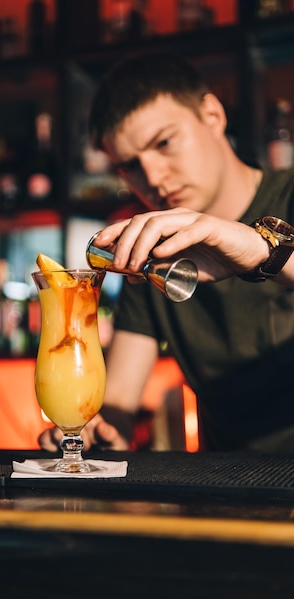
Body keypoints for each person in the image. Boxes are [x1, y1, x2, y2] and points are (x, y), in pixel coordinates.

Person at [39, 51, 294, 453]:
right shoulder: (149, 251)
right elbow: (119, 405)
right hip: (228, 493)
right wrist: (97, 431)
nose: (154, 178)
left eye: (164, 142)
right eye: (131, 166)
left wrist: (263, 252)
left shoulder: (288, 194)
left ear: (212, 115)